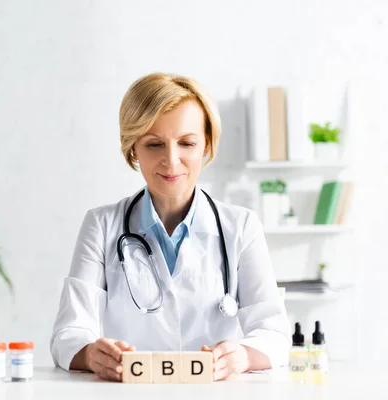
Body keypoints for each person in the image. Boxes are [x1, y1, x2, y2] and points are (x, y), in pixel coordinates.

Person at [49, 72, 290, 382]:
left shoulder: (241, 227)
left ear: (206, 146)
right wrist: (92, 354)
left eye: (187, 143)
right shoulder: (102, 225)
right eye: (154, 144)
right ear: (133, 148)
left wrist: (241, 357)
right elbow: (68, 333)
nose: (171, 160)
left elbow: (274, 334)